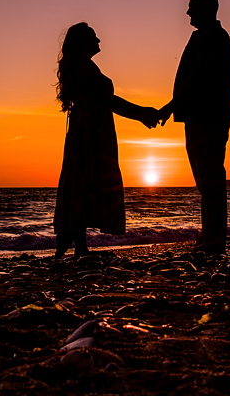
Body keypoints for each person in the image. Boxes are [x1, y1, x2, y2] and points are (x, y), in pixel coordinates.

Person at [54, 22, 159, 259]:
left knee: (82, 183)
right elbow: (109, 101)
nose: (99, 41)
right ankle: (72, 246)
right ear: (83, 41)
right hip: (91, 130)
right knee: (86, 181)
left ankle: (76, 246)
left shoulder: (81, 66)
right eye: (94, 37)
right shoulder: (85, 67)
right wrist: (142, 113)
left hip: (88, 128)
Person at [158, 0, 230, 255]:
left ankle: (215, 238)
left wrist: (170, 106)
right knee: (204, 179)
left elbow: (200, 74)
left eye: (192, 8)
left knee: (210, 177)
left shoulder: (214, 36)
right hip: (197, 115)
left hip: (208, 115)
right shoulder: (205, 36)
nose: (188, 13)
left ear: (207, 8)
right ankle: (210, 234)